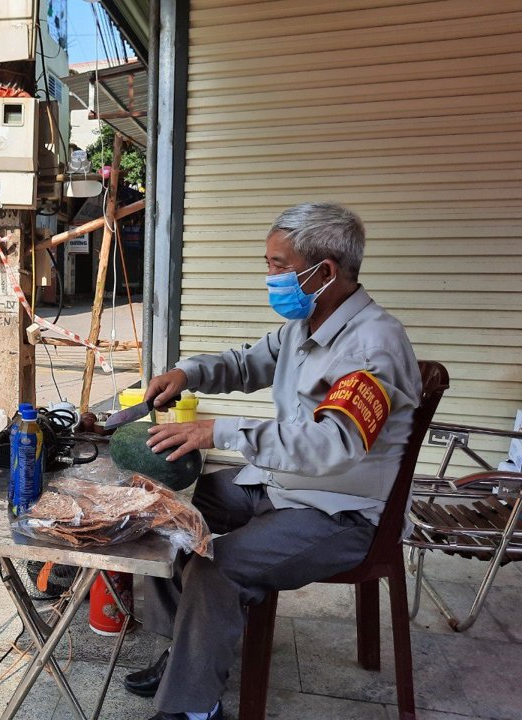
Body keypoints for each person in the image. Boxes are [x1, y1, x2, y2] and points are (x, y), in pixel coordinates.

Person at [124, 202, 422, 720]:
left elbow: (333, 444)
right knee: (164, 513)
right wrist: (187, 374)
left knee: (216, 568)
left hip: (338, 511)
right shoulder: (304, 327)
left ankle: (192, 707)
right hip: (282, 486)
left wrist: (220, 429)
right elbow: (244, 363)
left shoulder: (375, 344)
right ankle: (188, 657)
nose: (270, 277)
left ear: (324, 271)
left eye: (279, 265)